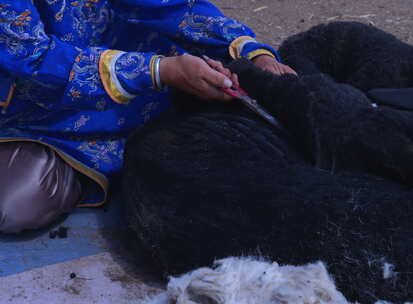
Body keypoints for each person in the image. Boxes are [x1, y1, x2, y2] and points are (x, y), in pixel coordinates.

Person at [0, 0, 296, 233]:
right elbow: (31, 57)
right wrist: (158, 71)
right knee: (15, 208)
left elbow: (171, 5)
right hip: (30, 113)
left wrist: (252, 52)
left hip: (131, 75)